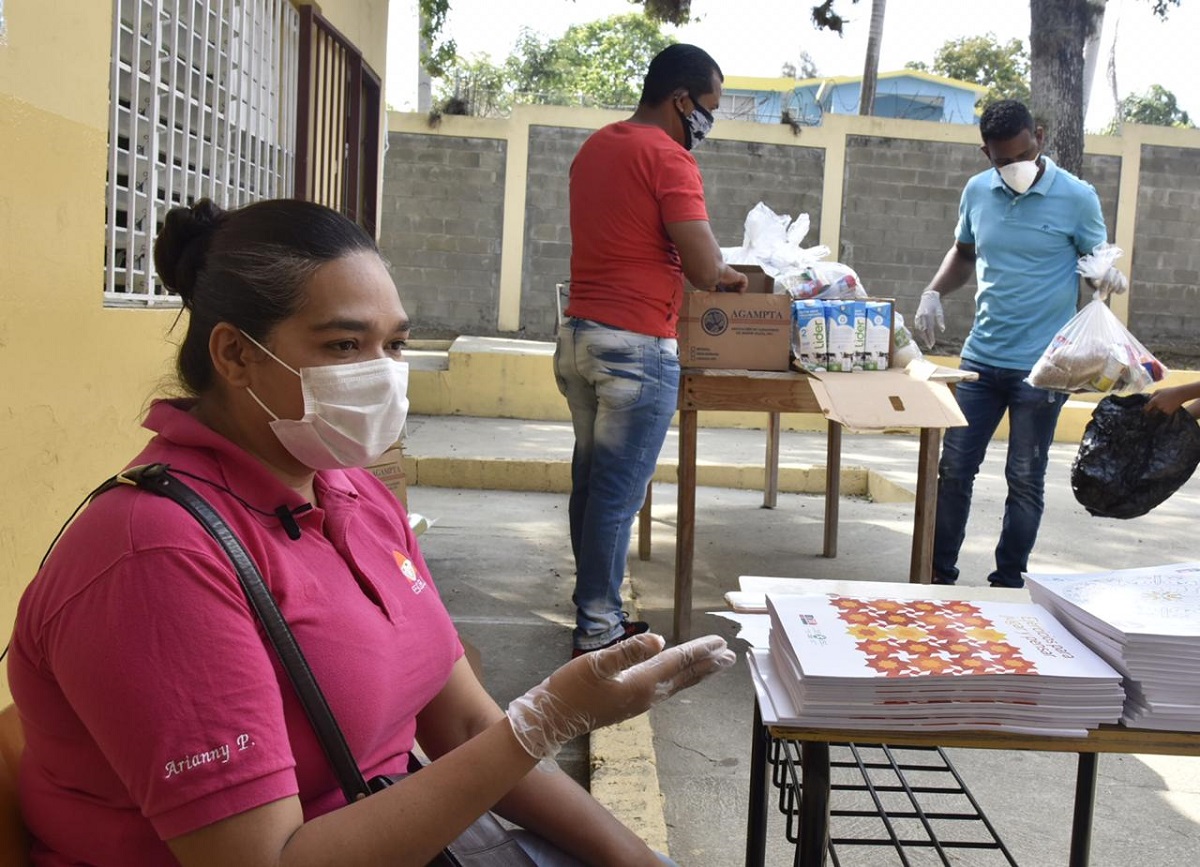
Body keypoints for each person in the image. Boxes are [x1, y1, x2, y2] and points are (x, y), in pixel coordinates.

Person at [7, 198, 736, 867]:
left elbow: (460, 723)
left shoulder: (348, 488)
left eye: (394, 343)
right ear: (233, 355)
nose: (385, 375)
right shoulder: (155, 557)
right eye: (344, 346)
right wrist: (545, 721)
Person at [554, 44, 748, 658]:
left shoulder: (596, 148)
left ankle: (592, 609)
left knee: (591, 481)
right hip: (636, 347)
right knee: (617, 495)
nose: (706, 124)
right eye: (707, 109)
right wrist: (726, 274)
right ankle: (599, 629)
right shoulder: (669, 158)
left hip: (580, 336)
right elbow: (700, 266)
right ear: (681, 100)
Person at [912, 99, 1127, 589]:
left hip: (1044, 368)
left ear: (1042, 138)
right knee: (954, 469)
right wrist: (933, 291)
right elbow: (964, 252)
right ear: (985, 153)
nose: (1016, 168)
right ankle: (937, 573)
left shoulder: (1077, 197)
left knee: (1025, 478)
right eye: (1003, 160)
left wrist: (1104, 277)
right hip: (980, 361)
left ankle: (1009, 580)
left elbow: (1095, 261)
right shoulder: (976, 192)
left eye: (1024, 154)